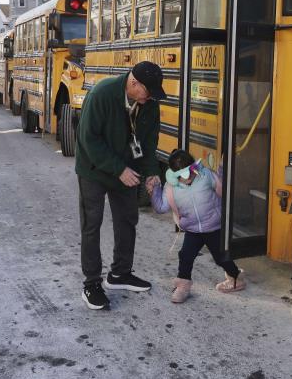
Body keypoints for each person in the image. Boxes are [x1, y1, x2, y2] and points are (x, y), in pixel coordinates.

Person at [75, 61, 165, 310]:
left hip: (127, 169)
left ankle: (119, 274)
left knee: (127, 220)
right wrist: (119, 169)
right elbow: (88, 139)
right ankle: (91, 283)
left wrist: (151, 174)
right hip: (94, 169)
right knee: (91, 224)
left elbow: (148, 144)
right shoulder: (102, 94)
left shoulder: (150, 104)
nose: (151, 97)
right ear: (133, 83)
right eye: (149, 91)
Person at [147, 149, 245, 303]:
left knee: (221, 258)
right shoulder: (171, 187)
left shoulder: (206, 175)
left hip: (213, 227)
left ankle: (235, 277)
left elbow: (223, 187)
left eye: (190, 172)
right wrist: (155, 190)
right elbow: (160, 207)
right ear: (173, 174)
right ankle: (183, 287)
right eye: (181, 175)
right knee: (185, 256)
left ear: (194, 167)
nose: (187, 178)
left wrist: (222, 168)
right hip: (193, 230)